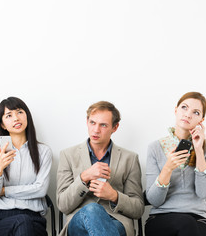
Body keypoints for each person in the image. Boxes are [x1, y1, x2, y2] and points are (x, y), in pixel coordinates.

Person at [57, 101, 144, 236]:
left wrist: (114, 196)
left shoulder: (130, 158)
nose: (96, 130)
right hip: (79, 223)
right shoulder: (68, 155)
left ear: (115, 128)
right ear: (87, 122)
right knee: (92, 209)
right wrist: (84, 177)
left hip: (115, 221)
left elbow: (138, 209)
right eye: (92, 122)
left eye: (103, 125)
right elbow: (63, 205)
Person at [145, 92, 206, 236]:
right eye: (184, 108)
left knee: (190, 225)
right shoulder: (155, 147)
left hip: (198, 219)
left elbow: (205, 192)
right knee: (186, 224)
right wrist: (168, 168)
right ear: (176, 110)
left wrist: (198, 150)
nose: (188, 115)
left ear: (201, 120)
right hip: (161, 218)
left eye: (195, 112)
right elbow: (154, 200)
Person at [0, 97, 52, 236]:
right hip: (0, 220)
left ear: (27, 116)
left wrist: (5, 191)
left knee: (24, 221)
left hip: (34, 219)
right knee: (22, 221)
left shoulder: (43, 152)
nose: (16, 118)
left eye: (20, 112)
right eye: (8, 115)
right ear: (2, 124)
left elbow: (40, 189)